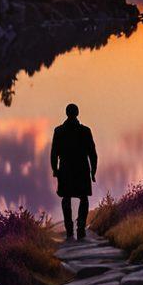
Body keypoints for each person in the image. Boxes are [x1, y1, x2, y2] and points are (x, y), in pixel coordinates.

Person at [50, 103, 98, 240]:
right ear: (77, 113)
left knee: (66, 198)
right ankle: (80, 227)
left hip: (66, 169)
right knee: (83, 198)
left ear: (67, 113)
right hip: (82, 169)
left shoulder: (59, 131)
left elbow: (54, 153)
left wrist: (55, 169)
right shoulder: (85, 131)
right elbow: (93, 154)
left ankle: (70, 229)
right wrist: (93, 171)